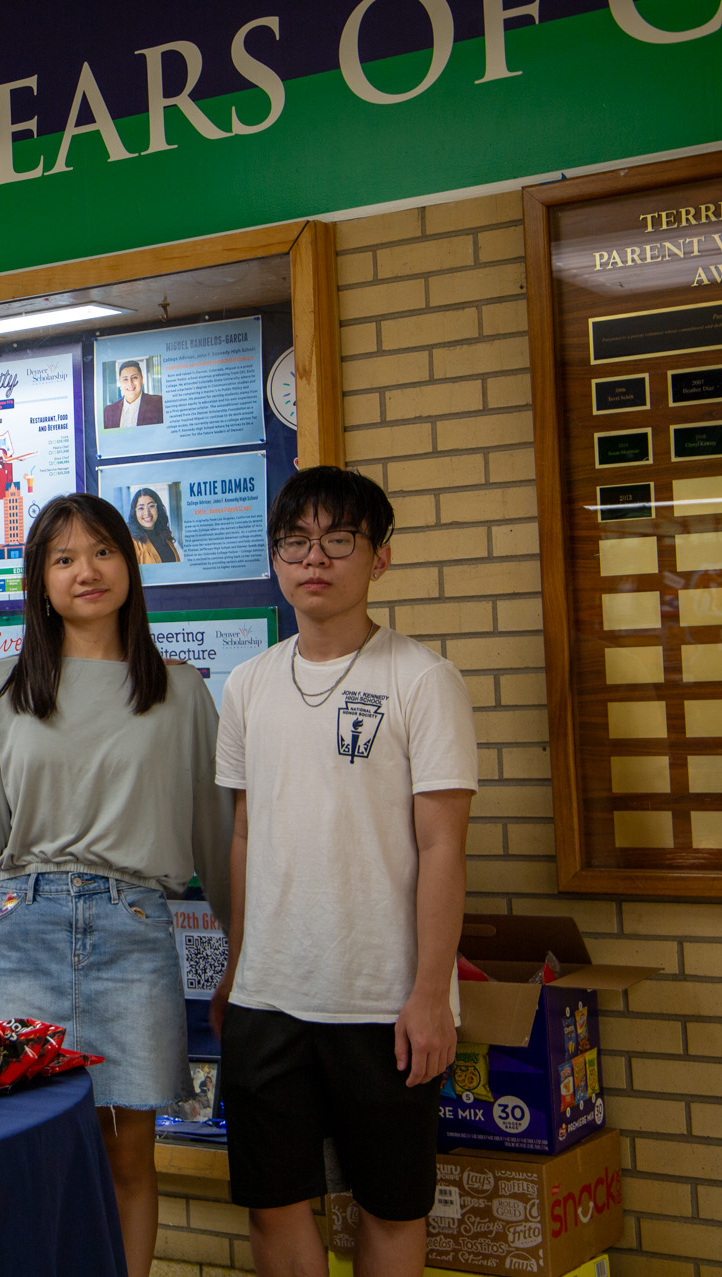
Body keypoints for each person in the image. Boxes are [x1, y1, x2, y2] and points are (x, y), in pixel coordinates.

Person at [211, 467, 477, 1277]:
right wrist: (235, 967)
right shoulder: (249, 683)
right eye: (295, 541)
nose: (314, 558)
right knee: (275, 1201)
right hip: (269, 994)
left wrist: (431, 994)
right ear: (277, 557)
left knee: (391, 1205)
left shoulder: (423, 679)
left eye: (338, 540)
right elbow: (248, 836)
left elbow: (443, 848)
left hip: (384, 1000)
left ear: (379, 557)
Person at [0, 492, 231, 1277]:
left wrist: (239, 956)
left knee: (129, 1152)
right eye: (64, 557)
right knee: (23, 1147)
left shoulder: (180, 693)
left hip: (134, 929)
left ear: (132, 562)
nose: (88, 571)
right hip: (23, 925)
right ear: (39, 579)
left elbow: (216, 840)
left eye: (104, 551)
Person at [101, 358, 164, 429]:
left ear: (142, 380)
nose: (130, 383)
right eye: (125, 379)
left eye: (134, 377)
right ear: (120, 384)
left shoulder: (159, 404)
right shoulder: (109, 411)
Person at [127, 487, 181, 563]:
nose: (147, 513)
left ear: (158, 508)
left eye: (151, 506)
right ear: (134, 513)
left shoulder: (165, 536)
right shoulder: (132, 544)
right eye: (141, 508)